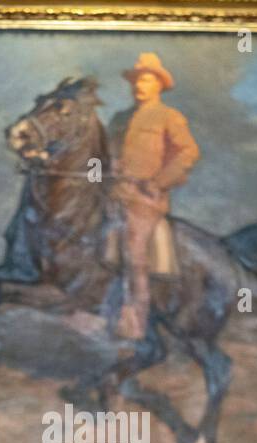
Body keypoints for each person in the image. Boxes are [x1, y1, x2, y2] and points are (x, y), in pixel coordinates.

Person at [106, 53, 200, 349]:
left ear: (159, 84)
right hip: (114, 193)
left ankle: (136, 320)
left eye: (146, 79)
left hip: (146, 200)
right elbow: (109, 154)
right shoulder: (119, 119)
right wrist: (111, 166)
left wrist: (158, 181)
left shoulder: (168, 117)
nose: (138, 85)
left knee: (133, 251)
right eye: (136, 80)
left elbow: (188, 153)